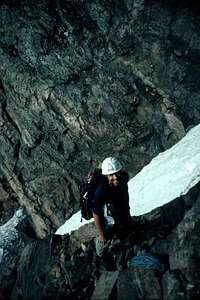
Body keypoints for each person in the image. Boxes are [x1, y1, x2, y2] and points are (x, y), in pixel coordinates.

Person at [92, 157, 133, 257]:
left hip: (116, 208)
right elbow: (96, 213)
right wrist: (102, 235)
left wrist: (127, 217)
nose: (115, 177)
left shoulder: (123, 180)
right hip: (105, 215)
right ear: (106, 176)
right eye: (111, 175)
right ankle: (99, 242)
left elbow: (124, 199)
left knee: (126, 231)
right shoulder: (101, 191)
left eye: (117, 173)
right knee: (101, 253)